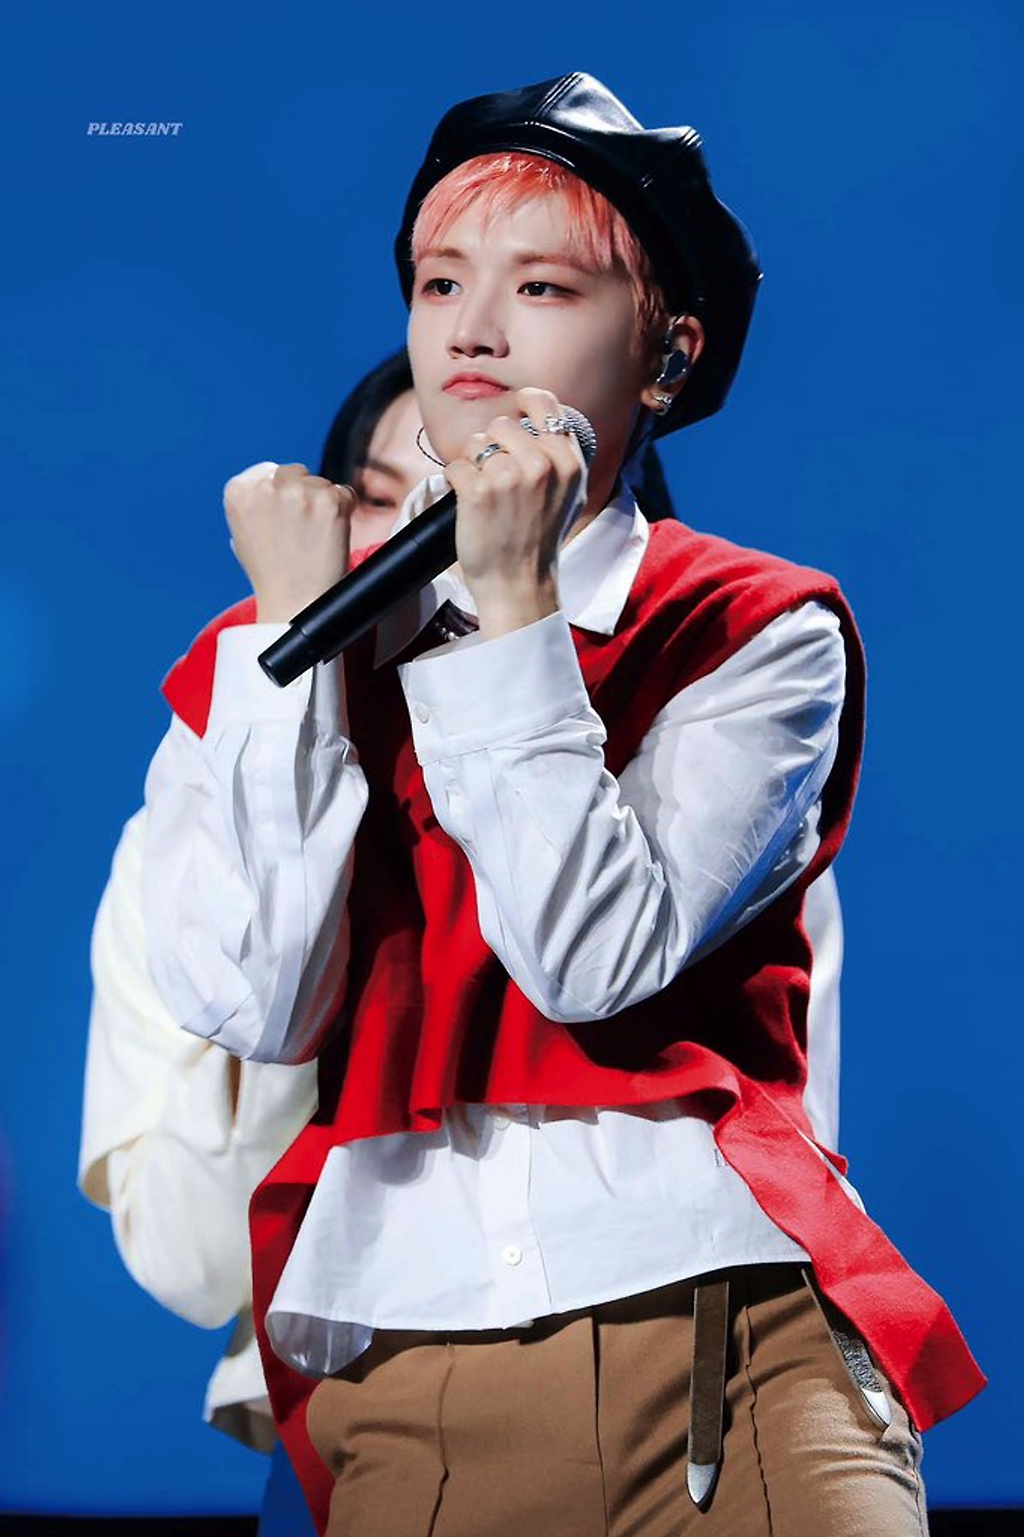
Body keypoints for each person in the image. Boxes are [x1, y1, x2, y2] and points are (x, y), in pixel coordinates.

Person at [140, 73, 985, 1536]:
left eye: (541, 286)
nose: (472, 329)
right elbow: (260, 1004)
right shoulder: (263, 653)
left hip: (734, 1346)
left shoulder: (755, 629)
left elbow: (592, 958)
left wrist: (516, 603)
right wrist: (288, 650)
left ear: (667, 354)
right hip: (416, 1379)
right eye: (440, 281)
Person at [77, 349, 430, 1535]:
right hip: (333, 1419)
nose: (414, 541)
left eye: (470, 496)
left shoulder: (673, 791)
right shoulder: (177, 829)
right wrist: (288, 879)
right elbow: (194, 1264)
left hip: (636, 1409)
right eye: (375, 498)